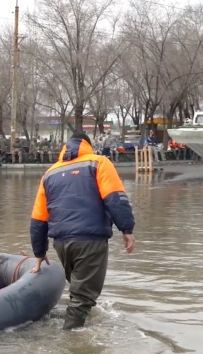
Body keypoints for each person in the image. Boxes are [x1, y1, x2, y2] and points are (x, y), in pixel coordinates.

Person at [30, 131, 135, 330]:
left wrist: (39, 252)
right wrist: (127, 229)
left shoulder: (50, 173)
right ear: (87, 145)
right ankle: (72, 341)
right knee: (82, 297)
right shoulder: (99, 163)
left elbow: (38, 217)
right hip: (90, 240)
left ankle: (76, 324)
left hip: (61, 244)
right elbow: (115, 198)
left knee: (78, 290)